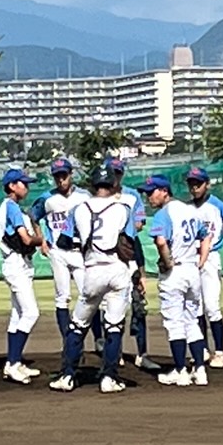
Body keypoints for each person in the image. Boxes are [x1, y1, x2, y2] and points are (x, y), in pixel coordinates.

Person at [49, 166, 138, 394]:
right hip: (118, 270)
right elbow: (131, 242)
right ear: (113, 184)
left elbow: (64, 241)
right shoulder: (124, 208)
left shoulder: (79, 208)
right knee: (114, 326)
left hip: (92, 270)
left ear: (93, 185)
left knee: (78, 325)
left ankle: (67, 375)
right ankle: (109, 377)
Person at [138, 175, 212, 387]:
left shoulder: (164, 214)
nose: (148, 197)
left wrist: (167, 262)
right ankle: (200, 370)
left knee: (174, 323)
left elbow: (161, 242)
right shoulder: (190, 210)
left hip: (175, 273)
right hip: (192, 270)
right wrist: (201, 260)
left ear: (164, 191)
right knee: (192, 320)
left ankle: (180, 371)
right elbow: (206, 236)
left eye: (151, 192)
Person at [185, 167, 223, 369]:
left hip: (210, 257)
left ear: (207, 184)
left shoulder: (216, 204)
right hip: (191, 257)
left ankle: (219, 351)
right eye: (191, 184)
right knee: (196, 305)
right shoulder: (186, 208)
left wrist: (219, 236)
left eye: (198, 184)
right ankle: (202, 348)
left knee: (211, 306)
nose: (194, 187)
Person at [106, 158, 160, 372]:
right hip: (109, 257)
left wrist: (142, 272)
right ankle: (115, 352)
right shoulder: (100, 196)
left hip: (129, 254)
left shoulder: (131, 195)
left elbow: (139, 224)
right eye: (112, 172)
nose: (115, 176)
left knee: (138, 306)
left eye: (118, 172)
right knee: (111, 307)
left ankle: (142, 354)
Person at [29, 158, 91, 342]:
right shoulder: (47, 198)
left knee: (89, 295)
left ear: (71, 174)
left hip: (80, 252)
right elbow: (33, 216)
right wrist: (42, 240)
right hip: (58, 252)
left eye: (64, 175)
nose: (61, 179)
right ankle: (67, 341)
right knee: (62, 297)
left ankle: (98, 339)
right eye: (57, 176)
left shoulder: (85, 196)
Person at [0, 168, 45, 384]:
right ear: (12, 186)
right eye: (23, 183)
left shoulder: (8, 206)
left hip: (16, 262)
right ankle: (14, 363)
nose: (27, 187)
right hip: (16, 263)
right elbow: (26, 240)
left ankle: (12, 362)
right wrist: (42, 240)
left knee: (18, 314)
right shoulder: (12, 207)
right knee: (31, 313)